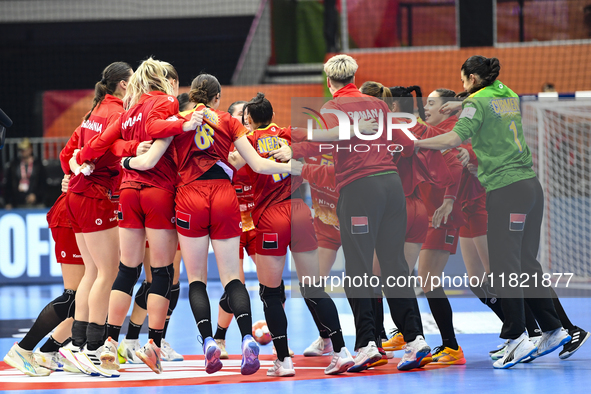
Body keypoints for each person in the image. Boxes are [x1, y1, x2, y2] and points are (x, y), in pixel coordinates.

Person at [123, 74, 298, 376]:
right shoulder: (229, 121)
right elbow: (257, 165)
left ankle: (208, 342)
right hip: (224, 196)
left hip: (189, 197)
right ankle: (245, 338)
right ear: (218, 98)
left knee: (197, 280)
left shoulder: (178, 120)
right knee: (233, 278)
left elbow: (150, 160)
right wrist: (289, 166)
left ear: (191, 96)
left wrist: (125, 161)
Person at [275, 55, 431, 372]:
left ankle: (366, 344)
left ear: (328, 81)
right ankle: (415, 341)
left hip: (360, 191)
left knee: (358, 270)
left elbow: (334, 136)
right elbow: (407, 145)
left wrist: (297, 134)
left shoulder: (334, 107)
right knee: (394, 266)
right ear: (355, 76)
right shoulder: (379, 105)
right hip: (391, 187)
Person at [414, 55, 571, 369]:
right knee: (525, 262)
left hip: (505, 189)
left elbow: (455, 137)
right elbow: (486, 105)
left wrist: (417, 144)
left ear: (472, 79)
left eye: (463, 81)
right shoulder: (508, 94)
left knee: (503, 267)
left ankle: (517, 337)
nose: (462, 88)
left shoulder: (475, 103)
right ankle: (554, 329)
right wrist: (459, 105)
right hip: (531, 187)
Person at [73, 58, 201, 374]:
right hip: (158, 191)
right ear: (163, 80)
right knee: (161, 274)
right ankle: (153, 346)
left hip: (128, 193)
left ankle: (109, 344)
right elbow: (159, 129)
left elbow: (97, 145)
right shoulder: (168, 101)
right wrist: (183, 124)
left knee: (126, 271)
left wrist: (87, 159)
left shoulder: (128, 110)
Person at [229, 92, 354, 377]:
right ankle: (341, 351)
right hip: (300, 210)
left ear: (248, 119)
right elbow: (324, 136)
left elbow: (229, 165)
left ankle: (284, 361)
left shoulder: (246, 142)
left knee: (270, 294)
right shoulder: (288, 133)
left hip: (271, 216)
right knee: (313, 287)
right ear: (272, 117)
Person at [58, 61, 136, 377]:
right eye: (133, 82)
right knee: (108, 271)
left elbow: (67, 155)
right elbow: (116, 153)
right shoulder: (118, 113)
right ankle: (92, 350)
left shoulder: (94, 111)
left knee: (93, 270)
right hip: (94, 197)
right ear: (121, 85)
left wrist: (73, 173)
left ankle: (76, 349)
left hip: (75, 195)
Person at [3, 174, 83, 376]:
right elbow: (72, 156)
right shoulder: (114, 145)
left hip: (88, 213)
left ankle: (48, 351)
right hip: (74, 213)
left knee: (88, 296)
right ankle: (23, 349)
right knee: (75, 295)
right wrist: (72, 176)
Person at [4, 138, 46, 209]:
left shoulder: (38, 164)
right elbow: (9, 184)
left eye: (25, 149)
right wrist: (8, 202)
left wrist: (36, 195)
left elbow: (43, 183)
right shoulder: (14, 164)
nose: (22, 151)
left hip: (35, 202)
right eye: (21, 149)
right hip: (17, 202)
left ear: (30, 149)